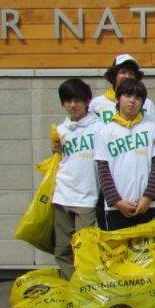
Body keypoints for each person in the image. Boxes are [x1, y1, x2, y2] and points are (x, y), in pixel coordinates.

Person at [93, 79, 155, 231]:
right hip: (115, 208)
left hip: (147, 206)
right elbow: (103, 170)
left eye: (137, 97)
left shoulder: (152, 128)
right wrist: (117, 201)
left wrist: (148, 198)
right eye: (127, 95)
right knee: (118, 254)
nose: (132, 101)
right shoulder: (105, 131)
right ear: (118, 98)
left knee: (147, 254)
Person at [51, 79, 102, 279]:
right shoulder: (61, 131)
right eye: (68, 101)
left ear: (87, 100)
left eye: (77, 100)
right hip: (62, 195)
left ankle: (86, 287)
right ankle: (70, 286)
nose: (73, 105)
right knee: (62, 249)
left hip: (87, 198)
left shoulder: (99, 127)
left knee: (85, 249)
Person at [90, 53, 155, 125]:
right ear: (114, 75)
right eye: (122, 72)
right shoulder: (97, 103)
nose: (127, 76)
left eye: (131, 73)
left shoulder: (147, 104)